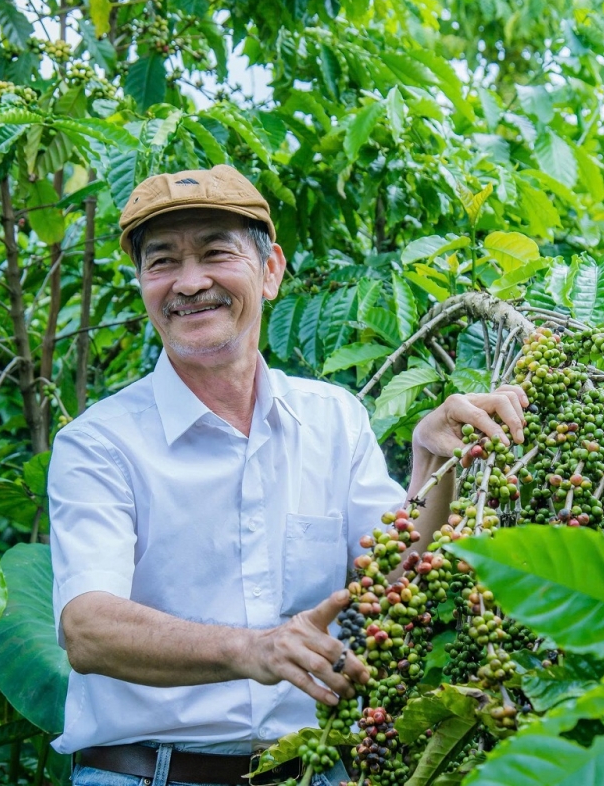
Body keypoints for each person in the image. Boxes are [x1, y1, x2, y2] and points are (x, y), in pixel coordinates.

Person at [47, 165, 527, 786]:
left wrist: (432, 462)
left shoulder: (333, 419)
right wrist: (252, 650)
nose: (190, 283)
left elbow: (394, 584)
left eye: (216, 253)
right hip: (148, 775)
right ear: (142, 284)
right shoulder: (100, 444)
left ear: (270, 270)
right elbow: (88, 629)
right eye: (162, 262)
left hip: (314, 771)